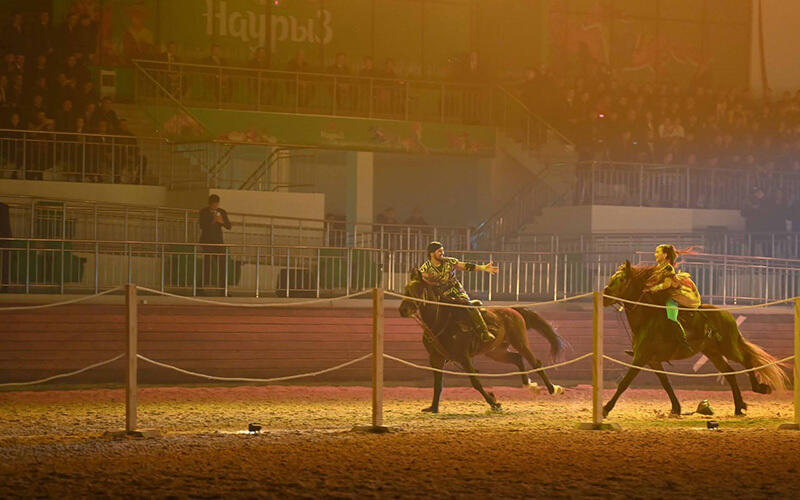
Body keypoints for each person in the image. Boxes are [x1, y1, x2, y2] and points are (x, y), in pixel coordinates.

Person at [418, 241, 498, 344]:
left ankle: (484, 331)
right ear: (432, 253)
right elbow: (421, 281)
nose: (442, 253)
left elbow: (466, 266)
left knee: (467, 305)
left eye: (442, 251)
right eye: (439, 251)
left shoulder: (449, 262)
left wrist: (483, 268)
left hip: (455, 290)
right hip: (439, 294)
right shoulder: (425, 268)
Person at [645, 244, 701, 353]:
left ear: (665, 255)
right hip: (660, 297)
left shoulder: (668, 268)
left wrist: (653, 288)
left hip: (672, 297)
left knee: (671, 318)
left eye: (657, 252)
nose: (655, 254)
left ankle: (684, 344)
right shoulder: (658, 268)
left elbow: (667, 284)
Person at [199, 194, 232, 290]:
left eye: (216, 204)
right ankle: (200, 287)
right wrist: (213, 220)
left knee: (222, 265)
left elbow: (229, 226)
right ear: (209, 203)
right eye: (213, 204)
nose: (215, 206)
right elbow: (202, 226)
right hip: (207, 241)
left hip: (218, 241)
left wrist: (222, 222)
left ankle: (223, 288)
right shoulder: (204, 212)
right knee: (207, 265)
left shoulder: (222, 212)